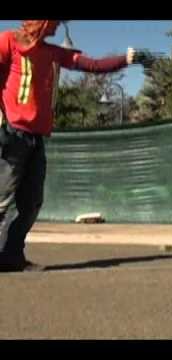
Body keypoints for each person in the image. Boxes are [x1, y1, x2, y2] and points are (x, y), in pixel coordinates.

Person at [0, 20, 147, 272]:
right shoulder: (8, 42)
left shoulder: (53, 53)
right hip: (12, 134)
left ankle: (11, 256)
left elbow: (91, 64)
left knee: (32, 201)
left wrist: (127, 58)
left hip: (36, 138)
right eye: (55, 23)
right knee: (2, 200)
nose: (57, 29)